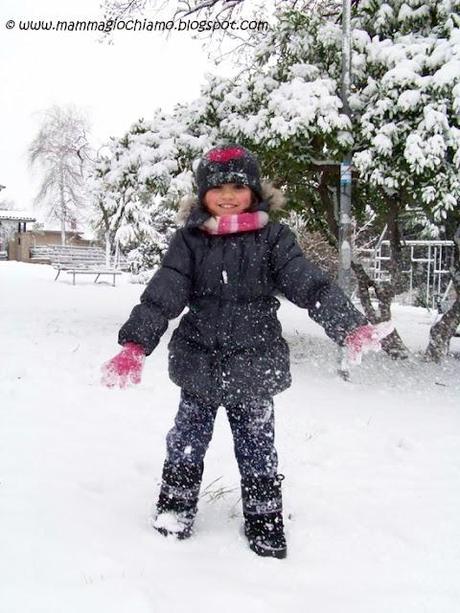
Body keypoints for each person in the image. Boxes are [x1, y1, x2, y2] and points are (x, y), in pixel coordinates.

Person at [101, 144, 393, 559]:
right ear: (202, 193)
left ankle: (264, 517)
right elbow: (163, 292)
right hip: (199, 362)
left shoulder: (273, 238)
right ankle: (175, 508)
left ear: (254, 191)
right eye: (216, 187)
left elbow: (306, 282)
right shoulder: (189, 242)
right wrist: (135, 344)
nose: (227, 195)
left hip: (255, 366)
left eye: (238, 185)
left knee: (257, 445)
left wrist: (348, 325)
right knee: (186, 440)